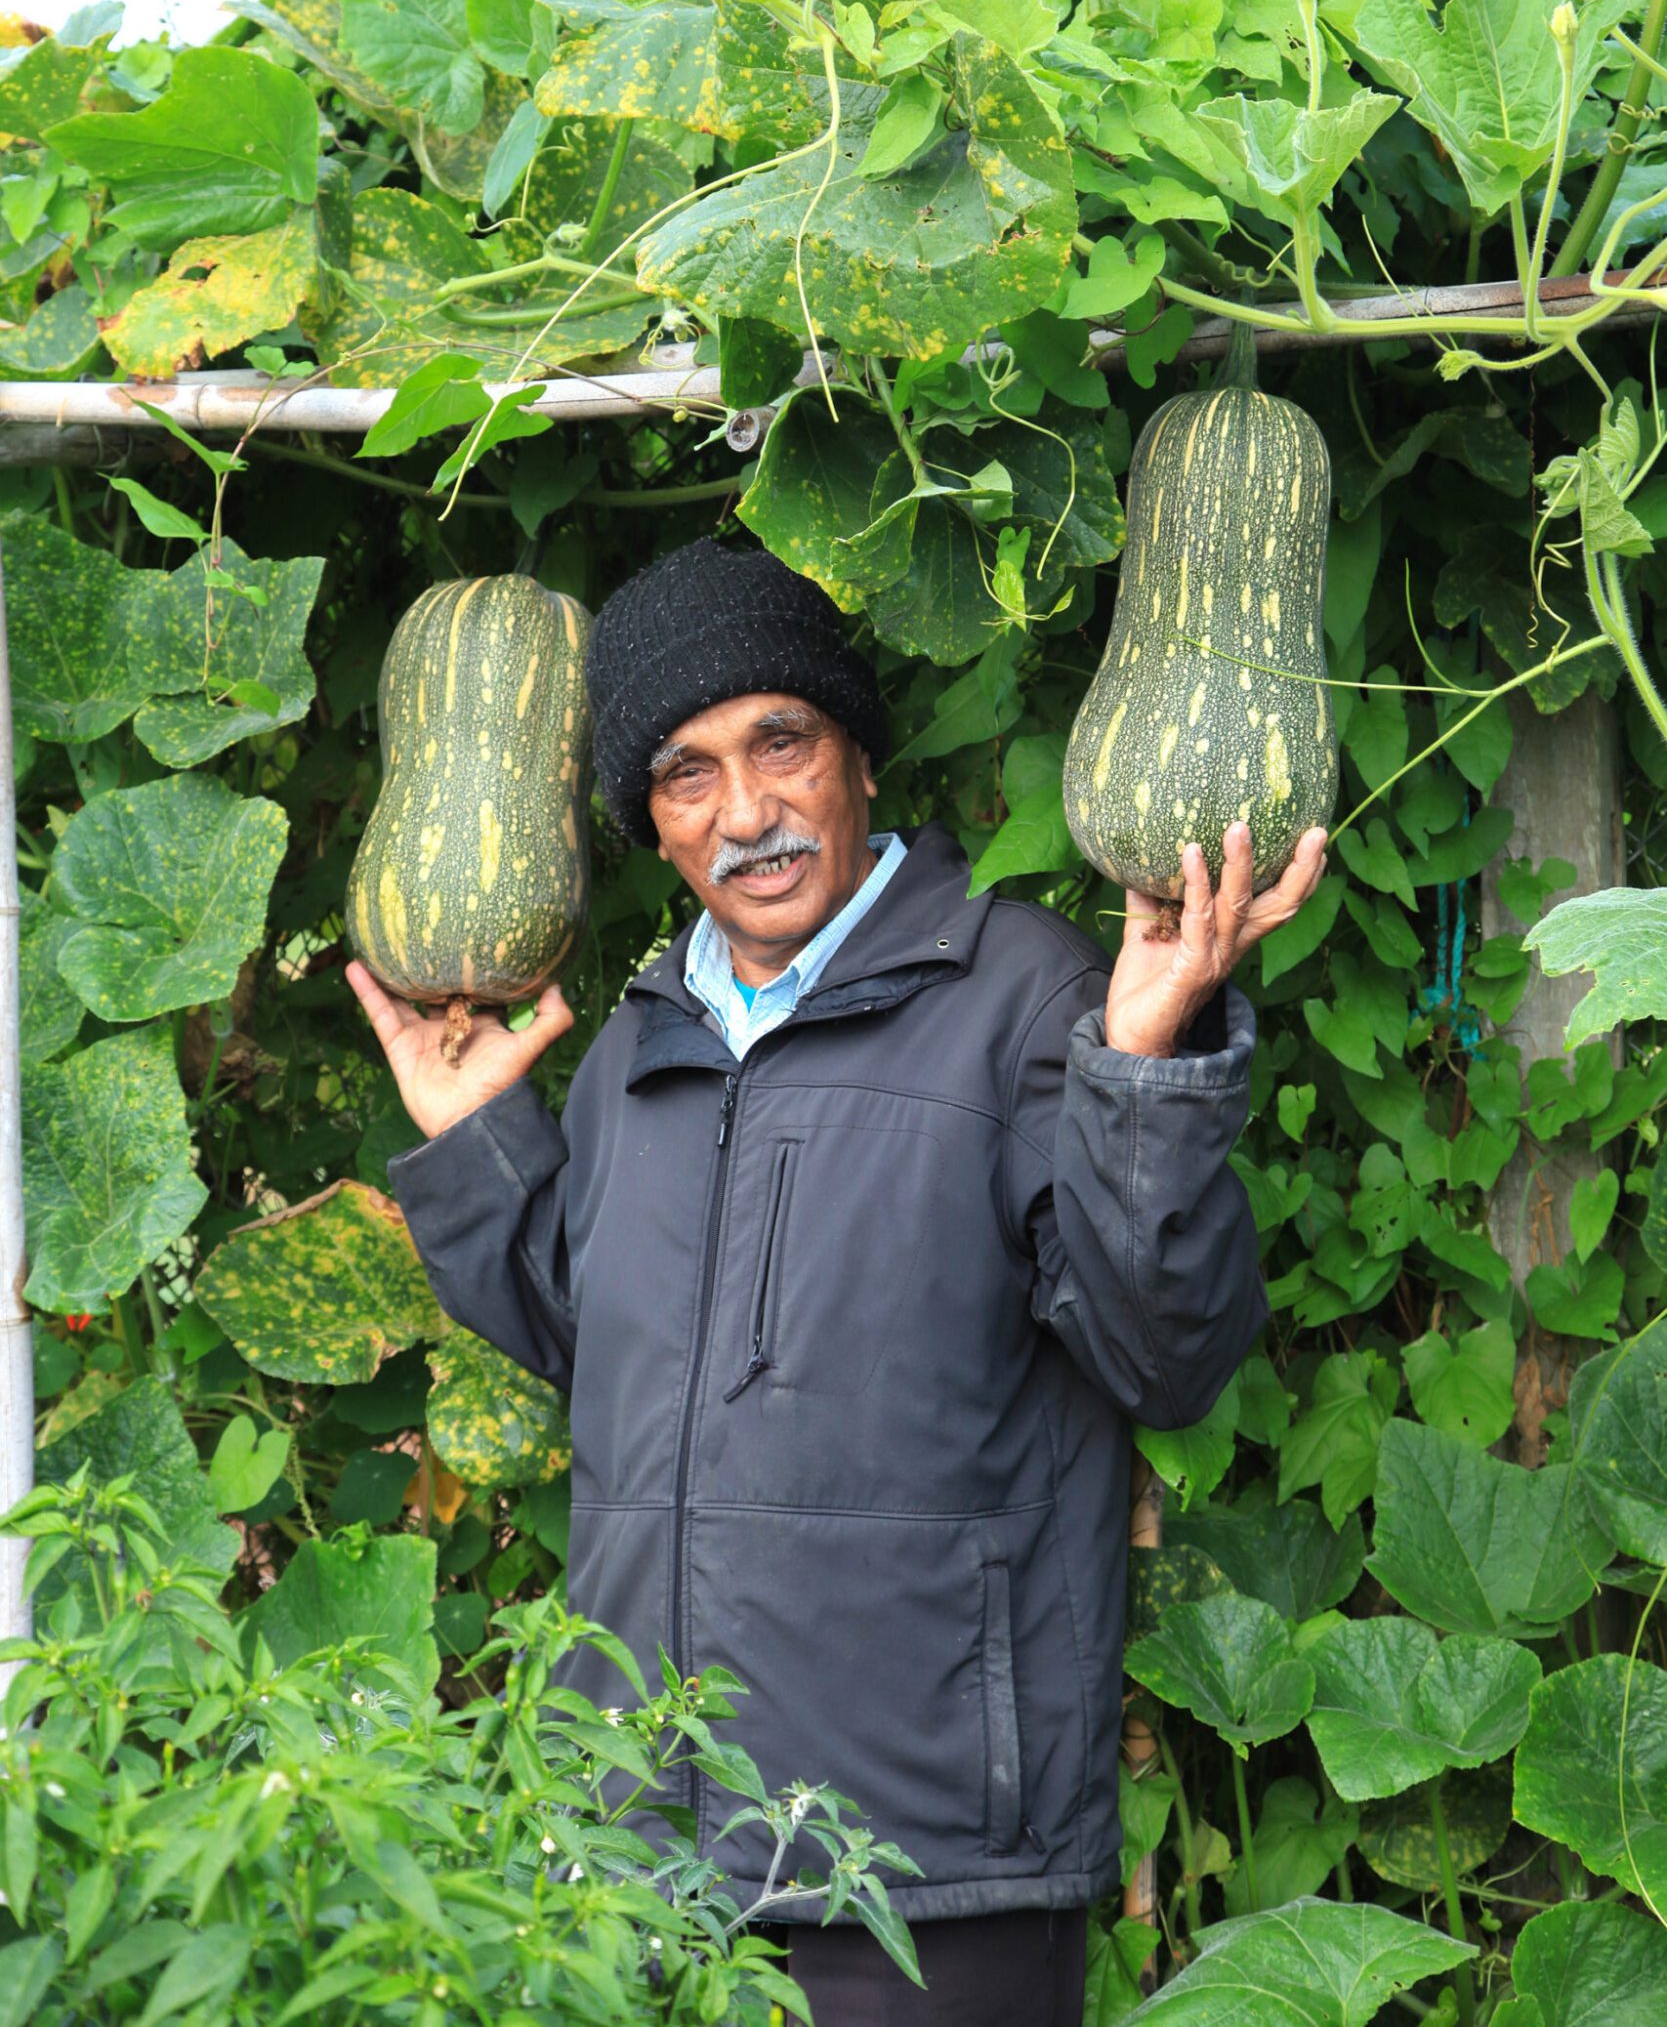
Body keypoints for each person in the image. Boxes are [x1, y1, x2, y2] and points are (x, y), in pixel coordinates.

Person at [348, 536, 1327, 2027]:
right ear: (651, 826)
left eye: (779, 743)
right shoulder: (639, 1045)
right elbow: (604, 1357)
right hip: (650, 1858)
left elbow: (1166, 1356)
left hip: (925, 1864)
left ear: (857, 755)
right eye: (686, 774)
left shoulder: (1028, 999)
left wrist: (1138, 1071)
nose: (747, 813)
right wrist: (477, 1140)